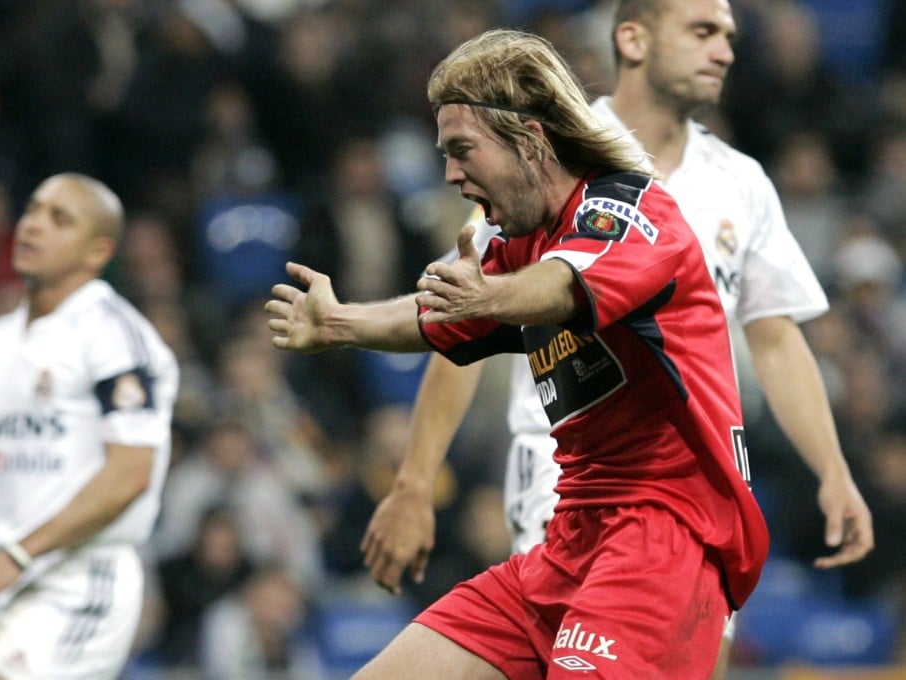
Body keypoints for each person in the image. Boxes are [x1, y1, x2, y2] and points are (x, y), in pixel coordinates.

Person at [358, 1, 876, 678]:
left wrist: (833, 470)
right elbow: (469, 317)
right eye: (701, 31)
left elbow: (774, 340)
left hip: (687, 483)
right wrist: (416, 481)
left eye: (726, 36)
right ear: (633, 37)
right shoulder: (534, 147)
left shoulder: (740, 182)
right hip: (561, 474)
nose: (723, 50)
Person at [267, 28, 769, 679]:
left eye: (462, 150)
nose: (450, 174)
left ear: (529, 140)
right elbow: (432, 316)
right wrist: (339, 322)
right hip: (566, 545)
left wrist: (487, 297)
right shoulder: (523, 243)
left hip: (662, 541)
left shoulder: (635, 217)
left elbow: (562, 285)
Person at [0, 172, 179, 679]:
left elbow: (131, 473)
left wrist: (18, 555)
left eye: (59, 219)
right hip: (0, 581)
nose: (34, 226)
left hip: (82, 576)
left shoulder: (114, 335)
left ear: (97, 252)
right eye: (32, 210)